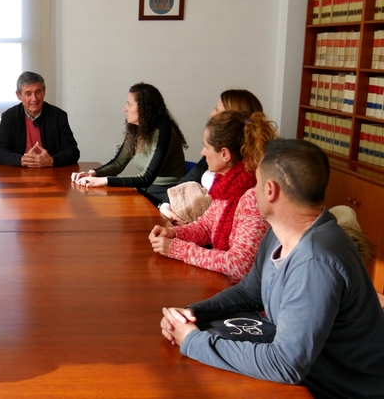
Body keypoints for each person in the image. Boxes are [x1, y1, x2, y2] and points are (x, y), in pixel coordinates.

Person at [159, 140, 384, 398]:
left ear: (270, 190)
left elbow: (285, 365)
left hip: (346, 390)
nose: (251, 191)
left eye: (255, 182)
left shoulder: (315, 261)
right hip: (312, 373)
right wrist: (192, 313)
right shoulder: (280, 231)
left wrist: (192, 341)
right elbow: (248, 293)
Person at [148, 111, 277, 280]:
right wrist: (174, 234)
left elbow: (240, 265)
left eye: (206, 147)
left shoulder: (252, 197)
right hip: (222, 283)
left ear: (225, 154)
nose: (202, 153)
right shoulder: (226, 184)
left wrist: (178, 249)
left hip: (240, 293)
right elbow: (206, 227)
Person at [71, 82, 187, 204]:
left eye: (129, 104)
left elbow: (146, 178)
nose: (124, 109)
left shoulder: (164, 132)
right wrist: (92, 173)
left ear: (144, 108)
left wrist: (104, 180)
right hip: (146, 190)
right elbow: (117, 164)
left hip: (167, 194)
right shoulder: (136, 129)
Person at [168, 89, 264, 198]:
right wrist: (165, 205)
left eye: (217, 110)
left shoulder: (249, 178)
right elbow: (183, 185)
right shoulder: (213, 151)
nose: (212, 114)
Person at [0, 71, 80, 167]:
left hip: (51, 173)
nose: (34, 99)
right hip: (19, 174)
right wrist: (22, 160)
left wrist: (51, 160)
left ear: (44, 91)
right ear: (19, 95)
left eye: (38, 92)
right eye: (28, 94)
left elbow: (73, 152)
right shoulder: (9, 117)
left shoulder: (58, 116)